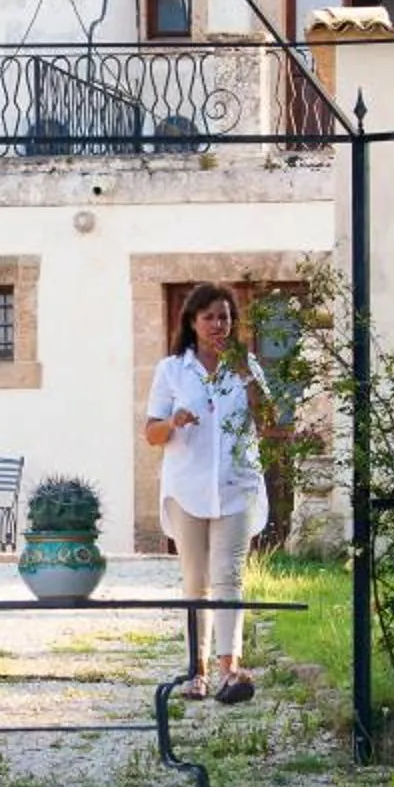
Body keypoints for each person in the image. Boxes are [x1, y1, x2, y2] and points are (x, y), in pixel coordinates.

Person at [142, 281, 270, 702]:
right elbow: (151, 433)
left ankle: (229, 670)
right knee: (195, 581)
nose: (219, 324)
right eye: (210, 317)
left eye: (225, 317)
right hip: (188, 488)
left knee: (229, 577)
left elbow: (266, 418)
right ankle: (195, 672)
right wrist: (174, 421)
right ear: (193, 322)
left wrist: (248, 377)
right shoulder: (172, 370)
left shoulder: (245, 363)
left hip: (236, 485)